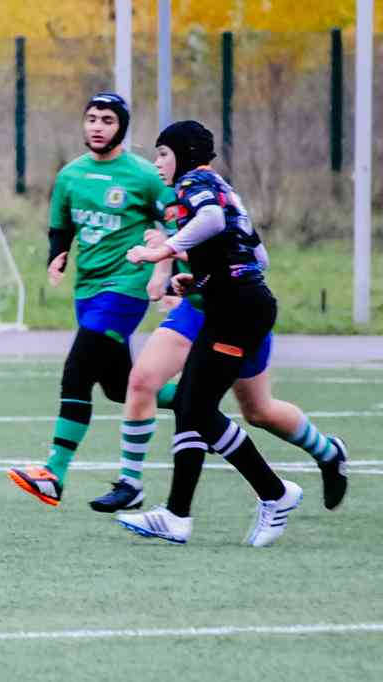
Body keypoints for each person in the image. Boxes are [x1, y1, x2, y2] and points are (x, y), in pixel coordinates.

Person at [116, 120, 302, 547]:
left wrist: (163, 250)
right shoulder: (222, 187)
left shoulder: (194, 183)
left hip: (238, 309)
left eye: (163, 153)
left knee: (195, 407)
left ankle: (274, 493)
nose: (157, 162)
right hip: (235, 304)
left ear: (184, 154)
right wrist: (201, 280)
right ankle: (177, 515)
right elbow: (259, 256)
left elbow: (213, 220)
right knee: (191, 405)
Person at [89, 239, 348, 513]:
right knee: (142, 381)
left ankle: (328, 453)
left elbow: (255, 260)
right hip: (194, 310)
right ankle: (131, 484)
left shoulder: (219, 212)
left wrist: (170, 253)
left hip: (237, 313)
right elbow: (165, 242)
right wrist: (162, 270)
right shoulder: (177, 211)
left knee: (259, 411)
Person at [6, 93, 176, 507]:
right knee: (121, 387)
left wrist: (165, 267)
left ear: (122, 128)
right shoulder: (71, 175)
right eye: (92, 119)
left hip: (126, 288)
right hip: (88, 291)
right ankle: (197, 403)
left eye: (107, 120)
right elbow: (60, 227)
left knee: (77, 372)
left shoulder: (143, 175)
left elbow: (177, 222)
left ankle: (54, 473)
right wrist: (58, 255)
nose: (98, 127)